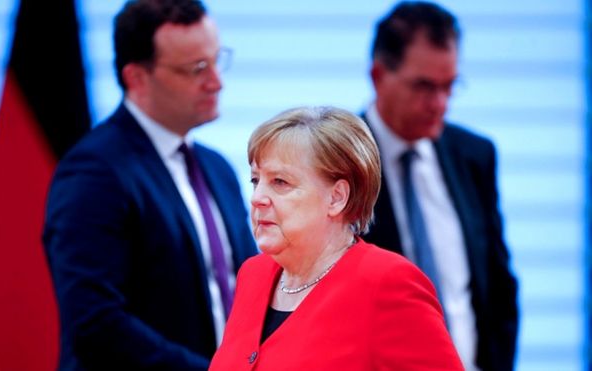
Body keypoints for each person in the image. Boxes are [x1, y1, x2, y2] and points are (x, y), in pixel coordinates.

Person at [42, 0, 258, 369]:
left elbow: (251, 289)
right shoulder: (93, 172)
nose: (216, 81)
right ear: (137, 78)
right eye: (196, 69)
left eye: (216, 59)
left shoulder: (217, 168)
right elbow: (95, 324)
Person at [209, 106, 464, 370]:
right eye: (255, 180)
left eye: (280, 182)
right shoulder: (253, 275)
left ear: (337, 198)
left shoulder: (387, 283)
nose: (257, 198)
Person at [361, 2, 519, 370]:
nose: (440, 104)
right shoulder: (337, 160)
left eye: (450, 87)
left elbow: (497, 286)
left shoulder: (474, 155)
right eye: (424, 87)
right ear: (378, 75)